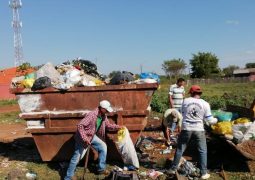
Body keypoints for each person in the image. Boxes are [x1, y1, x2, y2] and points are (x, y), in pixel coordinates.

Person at [166, 85, 217, 180]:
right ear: (200, 93)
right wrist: (216, 120)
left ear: (191, 93)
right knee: (202, 151)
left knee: (180, 149)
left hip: (186, 128)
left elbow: (181, 113)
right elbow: (210, 120)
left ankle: (173, 169)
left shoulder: (185, 101)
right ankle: (203, 173)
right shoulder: (205, 104)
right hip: (199, 130)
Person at [65, 100, 123, 180]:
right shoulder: (91, 115)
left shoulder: (103, 116)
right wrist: (85, 138)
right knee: (77, 157)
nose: (107, 112)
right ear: (102, 108)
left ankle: (101, 169)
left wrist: (117, 127)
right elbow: (80, 125)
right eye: (106, 110)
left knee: (103, 147)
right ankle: (68, 177)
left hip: (92, 136)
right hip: (83, 138)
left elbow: (108, 125)